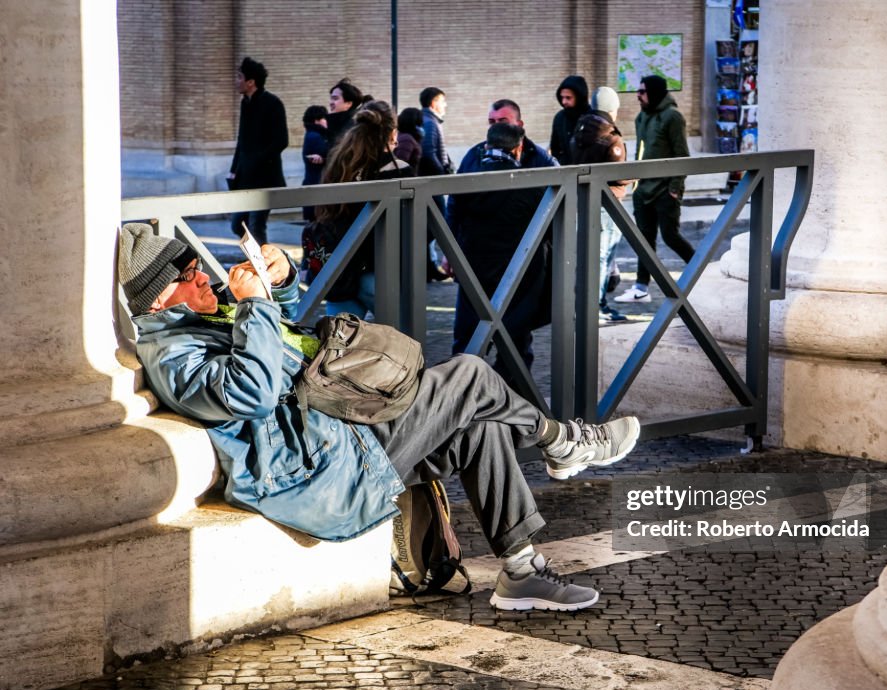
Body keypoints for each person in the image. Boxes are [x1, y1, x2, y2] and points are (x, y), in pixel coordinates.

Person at [117, 222, 642, 612]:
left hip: (339, 432)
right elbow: (252, 392)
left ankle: (522, 572)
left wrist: (275, 282)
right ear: (158, 300)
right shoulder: (173, 352)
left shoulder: (201, 319)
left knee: (479, 426)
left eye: (196, 267)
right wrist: (253, 307)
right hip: (320, 468)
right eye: (187, 275)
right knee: (470, 376)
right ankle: (564, 441)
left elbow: (288, 335)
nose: (204, 278)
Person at [448, 123, 550, 395]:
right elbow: (551, 226)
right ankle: (511, 402)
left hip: (474, 271)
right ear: (518, 148)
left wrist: (452, 255)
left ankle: (462, 397)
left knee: (468, 342)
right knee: (516, 344)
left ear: (487, 146)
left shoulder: (466, 179)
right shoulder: (532, 185)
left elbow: (451, 217)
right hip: (519, 275)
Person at [307, 101, 413, 318]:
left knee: (339, 344)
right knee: (404, 342)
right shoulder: (398, 170)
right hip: (379, 272)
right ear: (392, 134)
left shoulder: (341, 164)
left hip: (340, 268)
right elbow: (418, 225)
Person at [614, 74, 696, 304]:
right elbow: (642, 151)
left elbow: (682, 155)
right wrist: (637, 183)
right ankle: (641, 288)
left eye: (642, 91)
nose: (638, 96)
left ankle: (701, 271)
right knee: (644, 240)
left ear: (655, 92)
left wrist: (674, 188)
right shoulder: (642, 118)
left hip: (665, 190)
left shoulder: (673, 117)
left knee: (670, 236)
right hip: (644, 190)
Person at [569, 86, 631, 324]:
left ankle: (586, 305)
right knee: (602, 257)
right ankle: (595, 308)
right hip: (606, 204)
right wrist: (635, 174)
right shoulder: (611, 138)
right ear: (612, 110)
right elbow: (616, 174)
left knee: (589, 257)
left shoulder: (580, 130)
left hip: (584, 200)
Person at [227, 56, 288, 246]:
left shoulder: (272, 103)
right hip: (246, 176)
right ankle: (258, 260)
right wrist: (234, 168)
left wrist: (256, 160)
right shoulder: (245, 103)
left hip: (265, 177)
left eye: (239, 77)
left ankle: (264, 269)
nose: (236, 81)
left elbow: (281, 141)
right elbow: (242, 140)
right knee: (238, 224)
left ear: (251, 82)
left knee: (256, 225)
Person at [457, 99, 558, 173]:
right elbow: (456, 194)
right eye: (492, 122)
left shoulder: (540, 158)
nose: (496, 126)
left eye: (503, 121)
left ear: (519, 125)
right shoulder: (474, 154)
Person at [548, 75, 589, 166]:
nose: (564, 102)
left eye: (568, 98)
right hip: (566, 172)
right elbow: (555, 148)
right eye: (562, 97)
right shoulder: (559, 118)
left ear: (579, 97)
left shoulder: (592, 117)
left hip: (588, 172)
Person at [300, 105, 330, 222]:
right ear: (317, 120)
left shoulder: (311, 134)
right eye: (324, 118)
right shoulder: (316, 137)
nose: (327, 121)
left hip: (312, 185)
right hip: (317, 187)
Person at [418, 87, 453, 176]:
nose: (445, 105)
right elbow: (429, 152)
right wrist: (441, 172)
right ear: (433, 103)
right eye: (442, 101)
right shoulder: (430, 123)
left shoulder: (428, 120)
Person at [326, 78, 364, 146]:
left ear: (349, 103)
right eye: (331, 98)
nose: (331, 102)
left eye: (335, 98)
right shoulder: (339, 121)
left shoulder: (353, 127)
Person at [394, 107, 423, 171]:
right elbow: (401, 164)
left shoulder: (405, 137)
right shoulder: (407, 140)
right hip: (407, 179)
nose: (421, 127)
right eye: (419, 124)